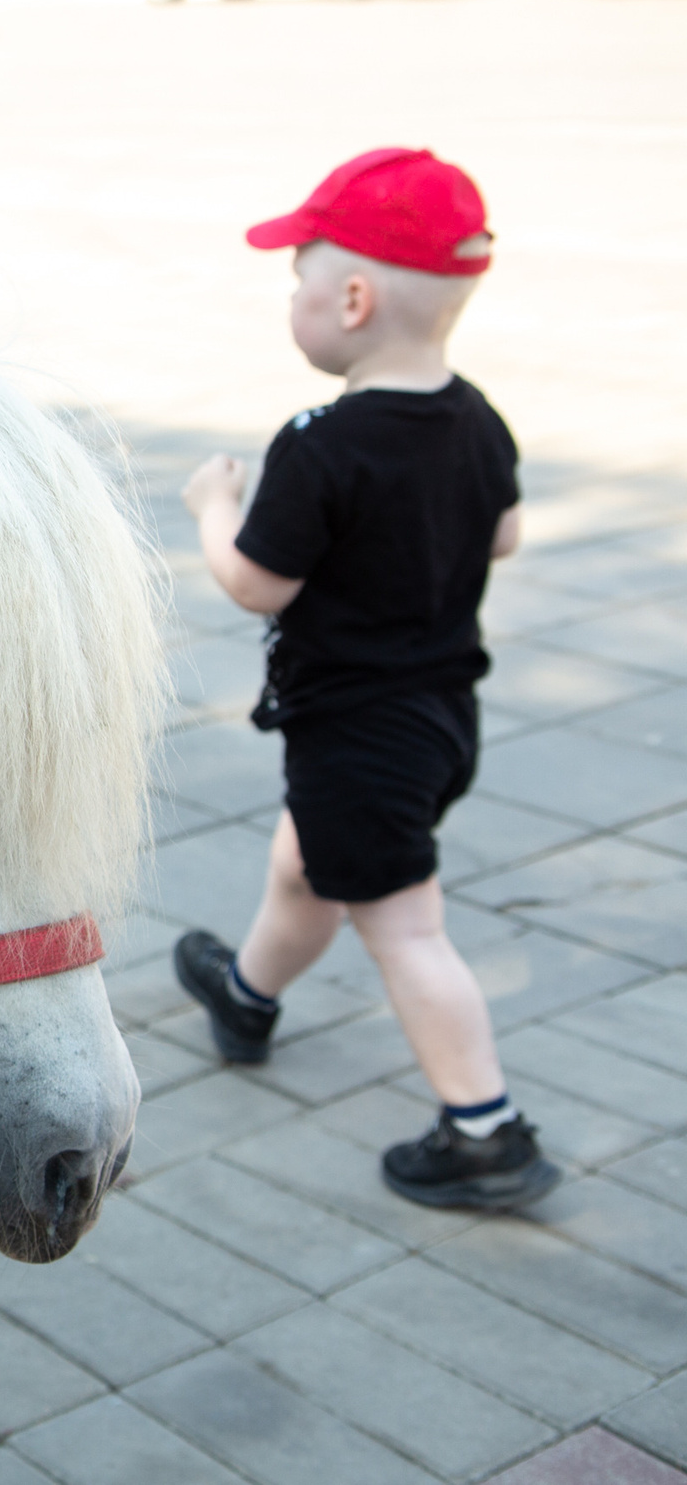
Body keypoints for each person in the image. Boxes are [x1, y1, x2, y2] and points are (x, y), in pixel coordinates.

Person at [172, 148, 556, 1210]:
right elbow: (508, 532)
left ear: (350, 298)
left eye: (294, 284)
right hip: (438, 721)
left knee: (405, 926)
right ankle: (246, 996)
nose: (290, 303)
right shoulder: (476, 415)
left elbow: (257, 585)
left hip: (358, 734)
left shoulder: (319, 445)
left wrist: (214, 506)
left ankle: (485, 1130)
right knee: (306, 866)